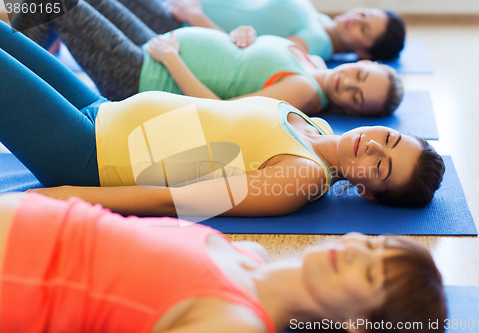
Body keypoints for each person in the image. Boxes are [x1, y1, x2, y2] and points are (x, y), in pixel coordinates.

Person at [0, 20, 444, 218]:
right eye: (386, 138)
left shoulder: (301, 177)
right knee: (7, 34)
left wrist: (68, 196)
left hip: (89, 155)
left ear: (367, 194)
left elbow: (175, 200)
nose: (371, 146)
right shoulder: (319, 126)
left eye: (380, 165)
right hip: (102, 111)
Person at [0, 192, 446, 332]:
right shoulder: (250, 254)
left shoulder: (236, 324)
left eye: (368, 272)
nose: (353, 249)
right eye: (370, 245)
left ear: (358, 325)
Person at [11, 0, 403, 117]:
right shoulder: (312, 65)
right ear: (362, 64)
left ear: (353, 111)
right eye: (360, 77)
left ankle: (9, 40)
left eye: (356, 96)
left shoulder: (305, 91)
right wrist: (238, 37)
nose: (347, 83)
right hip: (162, 48)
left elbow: (221, 111)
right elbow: (239, 62)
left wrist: (172, 60)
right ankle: (18, 42)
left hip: (147, 75)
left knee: (61, 4)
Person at [117, 0, 406, 61]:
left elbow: (248, 57)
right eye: (364, 14)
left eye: (364, 29)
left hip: (179, 23)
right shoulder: (318, 19)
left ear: (363, 53)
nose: (355, 20)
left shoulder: (317, 41)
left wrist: (196, 16)